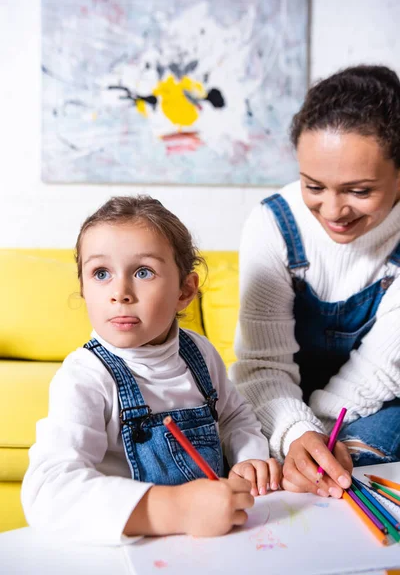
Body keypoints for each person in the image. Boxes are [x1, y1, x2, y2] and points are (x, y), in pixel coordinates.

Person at [21, 195, 281, 545]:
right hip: (134, 549)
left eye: (143, 272)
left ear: (184, 291)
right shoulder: (85, 377)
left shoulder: (199, 353)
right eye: (101, 273)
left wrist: (249, 459)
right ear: (82, 290)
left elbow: (235, 418)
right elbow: (47, 492)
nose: (120, 292)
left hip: (217, 541)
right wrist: (175, 509)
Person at [230, 65, 400, 500]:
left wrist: (315, 443)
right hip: (275, 406)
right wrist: (294, 435)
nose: (332, 210)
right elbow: (263, 366)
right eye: (314, 185)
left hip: (368, 409)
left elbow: (380, 371)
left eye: (359, 191)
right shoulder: (272, 225)